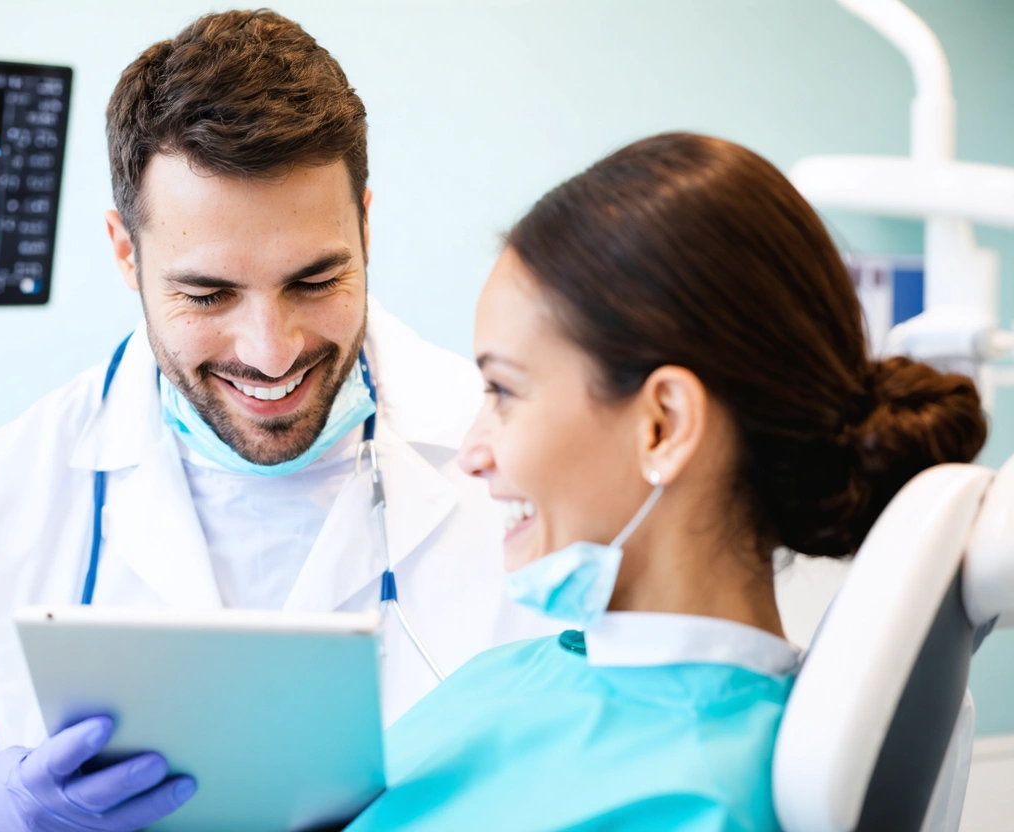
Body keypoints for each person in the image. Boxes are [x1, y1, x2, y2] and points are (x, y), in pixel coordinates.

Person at [0, 11, 550, 832]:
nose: (271, 351)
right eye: (208, 295)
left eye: (315, 281)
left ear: (366, 226)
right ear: (126, 254)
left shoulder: (529, 462)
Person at [345, 132, 989, 831]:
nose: (473, 453)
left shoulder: (700, 803)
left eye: (504, 390)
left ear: (664, 424)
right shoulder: (521, 672)